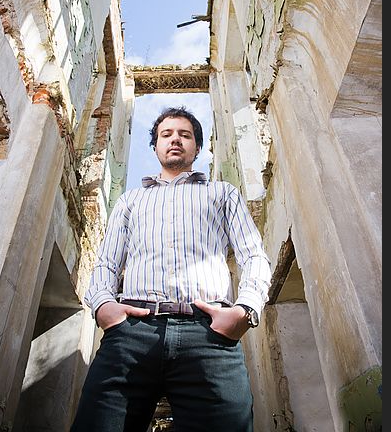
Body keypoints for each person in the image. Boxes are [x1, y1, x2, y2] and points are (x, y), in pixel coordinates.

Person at [71, 106, 271, 432]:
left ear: (197, 147)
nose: (175, 139)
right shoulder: (130, 201)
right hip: (132, 334)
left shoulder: (222, 193)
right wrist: (104, 307)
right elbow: (106, 263)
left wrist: (245, 311)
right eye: (167, 134)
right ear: (155, 147)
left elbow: (254, 256)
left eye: (185, 134)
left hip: (209, 336)